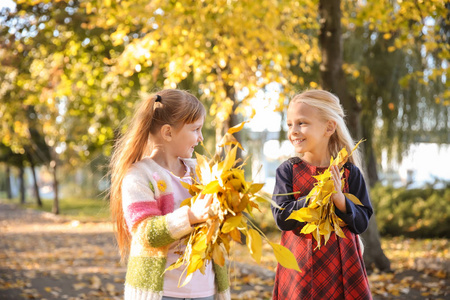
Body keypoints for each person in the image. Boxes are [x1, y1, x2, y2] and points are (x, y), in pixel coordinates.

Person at [109, 89, 230, 300]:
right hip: (163, 293)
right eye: (196, 129)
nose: (201, 138)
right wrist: (191, 216)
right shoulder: (139, 176)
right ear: (168, 132)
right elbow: (145, 234)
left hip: (206, 291)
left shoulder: (202, 172)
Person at [271, 89, 373, 299]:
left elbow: (362, 222)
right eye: (290, 124)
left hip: (342, 267)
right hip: (299, 267)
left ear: (329, 127)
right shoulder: (287, 171)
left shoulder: (348, 172)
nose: (294, 131)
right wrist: (313, 199)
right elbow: (281, 218)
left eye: (302, 123)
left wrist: (340, 200)